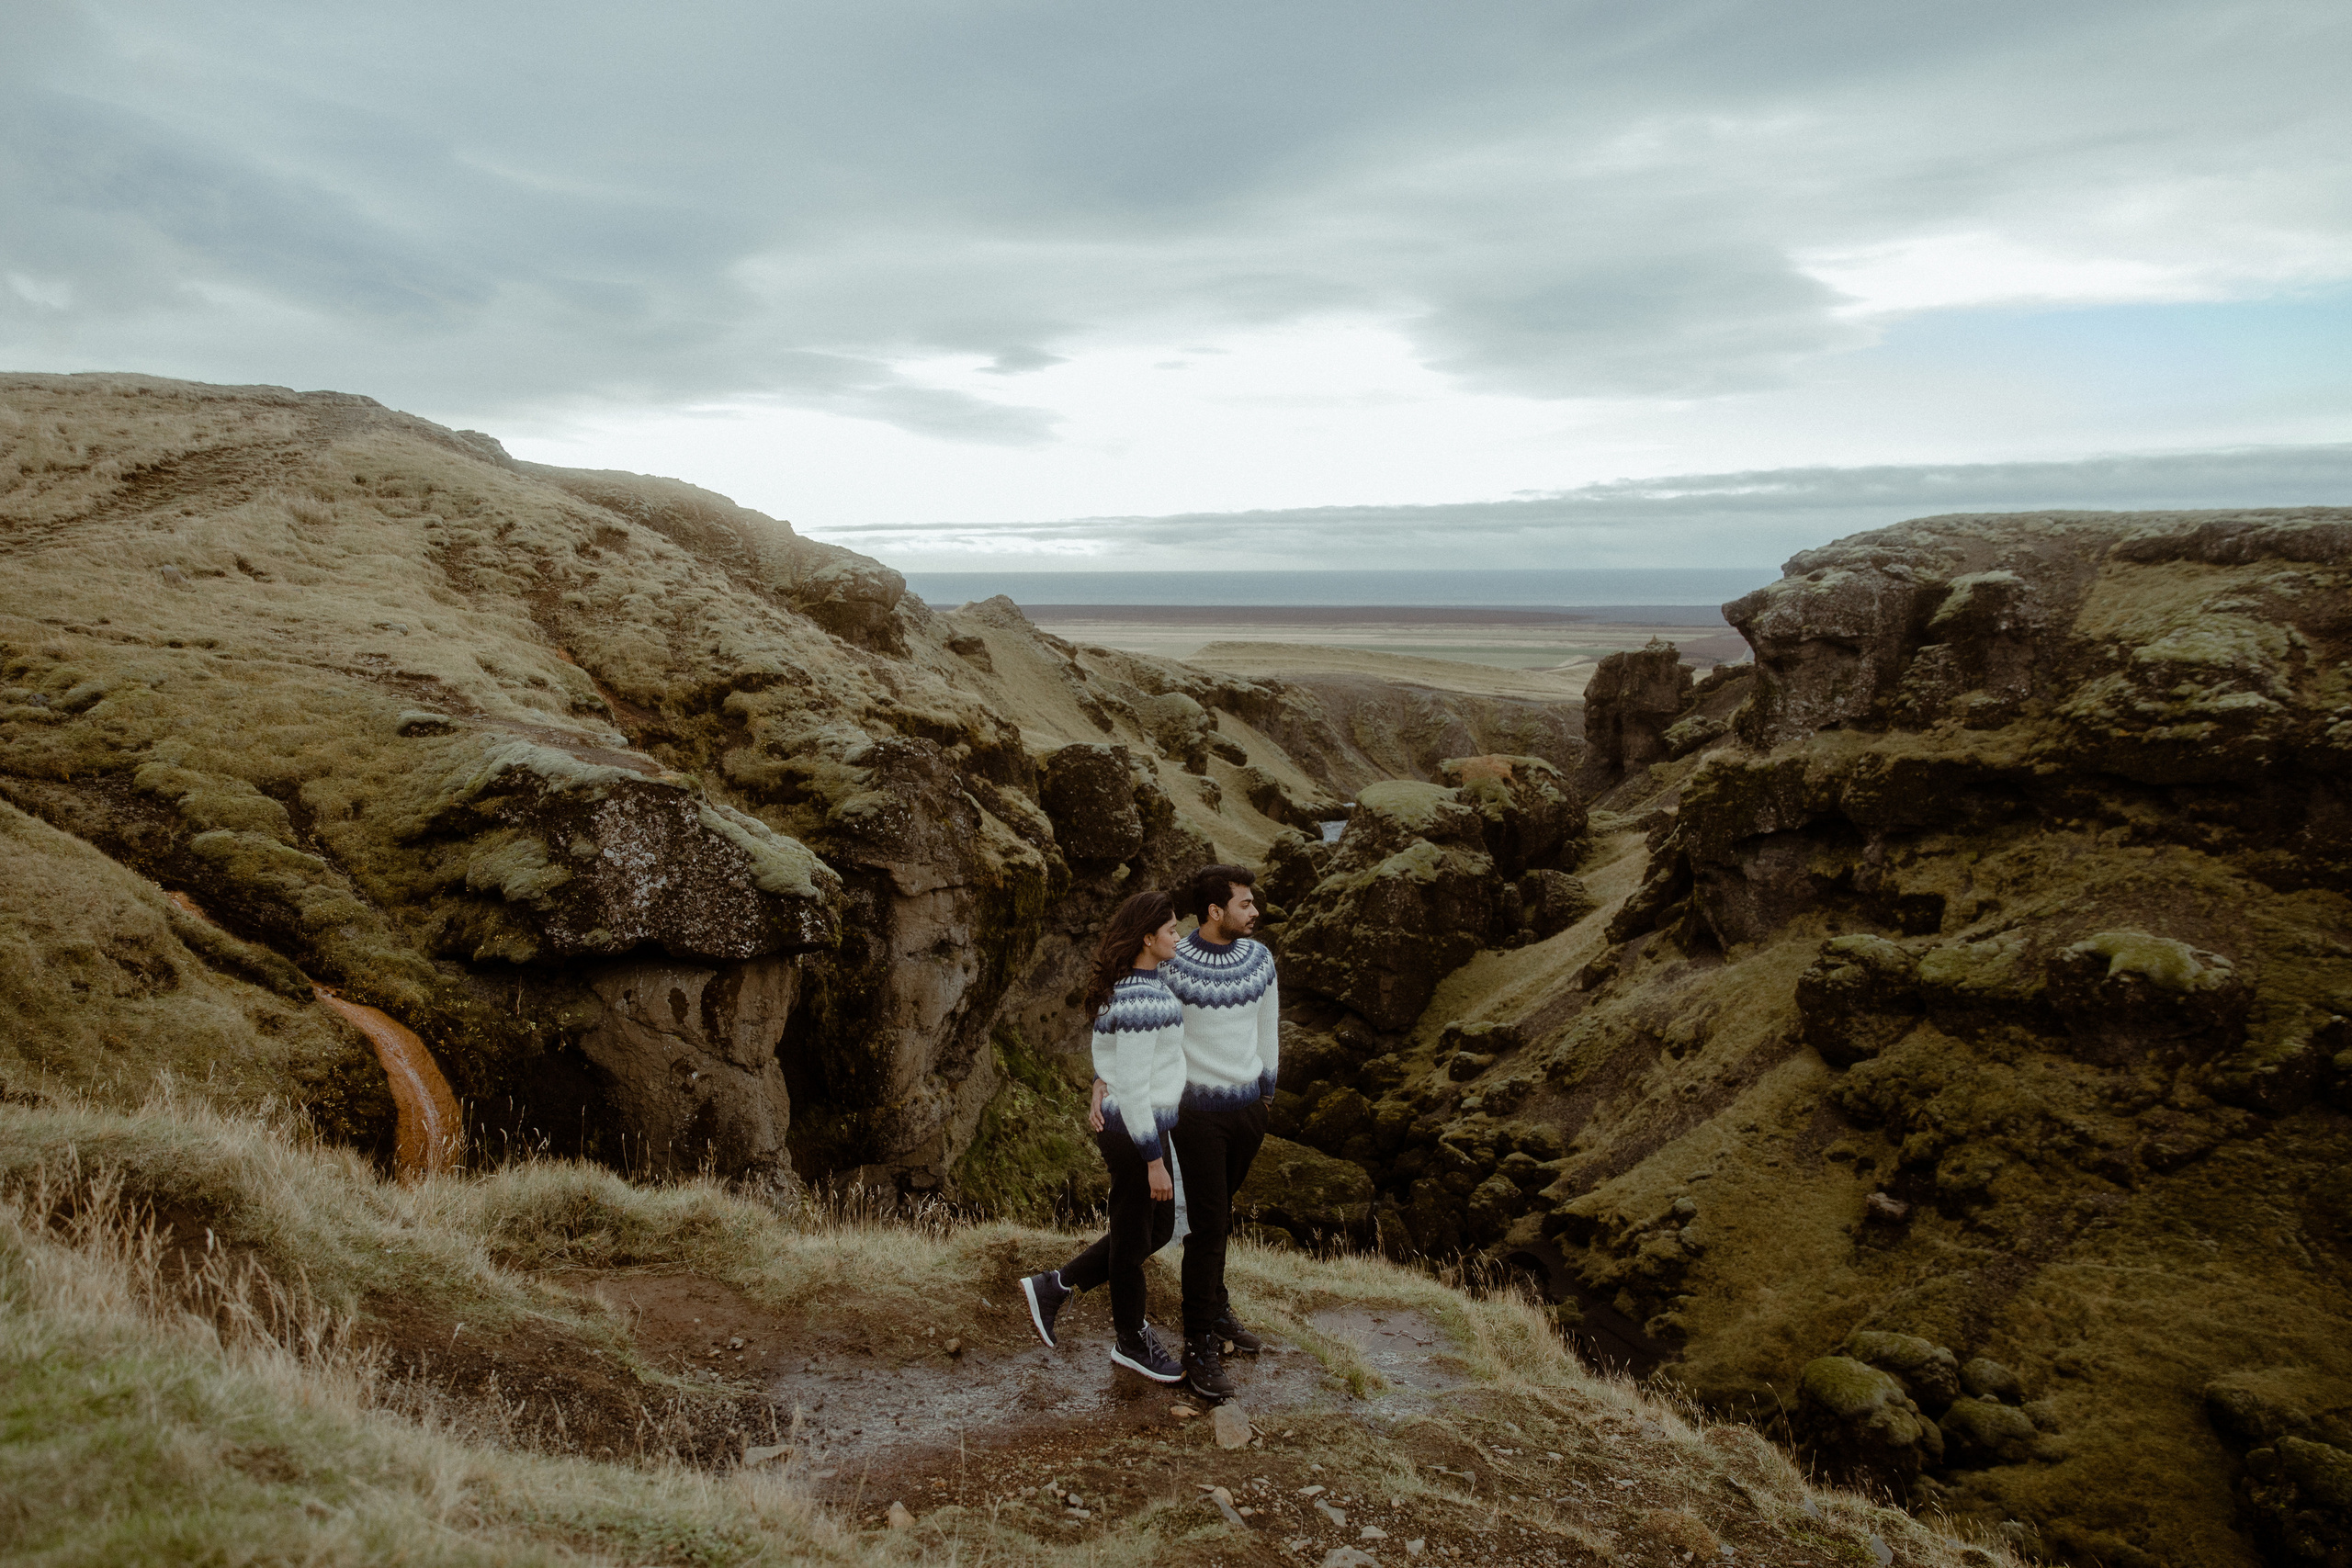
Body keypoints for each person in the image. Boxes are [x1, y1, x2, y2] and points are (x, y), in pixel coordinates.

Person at [1017, 889, 1188, 1382]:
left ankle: (1057, 1285)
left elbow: (1113, 1061)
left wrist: (1099, 1083)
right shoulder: (1139, 999)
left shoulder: (1139, 985)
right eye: (1172, 930)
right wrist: (1153, 1158)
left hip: (1143, 1125)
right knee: (1136, 1238)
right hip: (1138, 1131)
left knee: (1155, 1231)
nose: (1178, 936)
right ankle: (1131, 1342)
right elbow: (1133, 1087)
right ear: (1148, 939)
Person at [1159, 863, 1280, 1400]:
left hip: (1249, 1109)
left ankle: (1218, 1304)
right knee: (1207, 1226)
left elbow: (1267, 1028)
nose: (1255, 912)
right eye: (1245, 904)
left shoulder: (1260, 960)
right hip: (1197, 1116)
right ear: (1215, 911)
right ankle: (1199, 1342)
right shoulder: (1173, 965)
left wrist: (1267, 1093)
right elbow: (1154, 1037)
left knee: (1221, 1213)